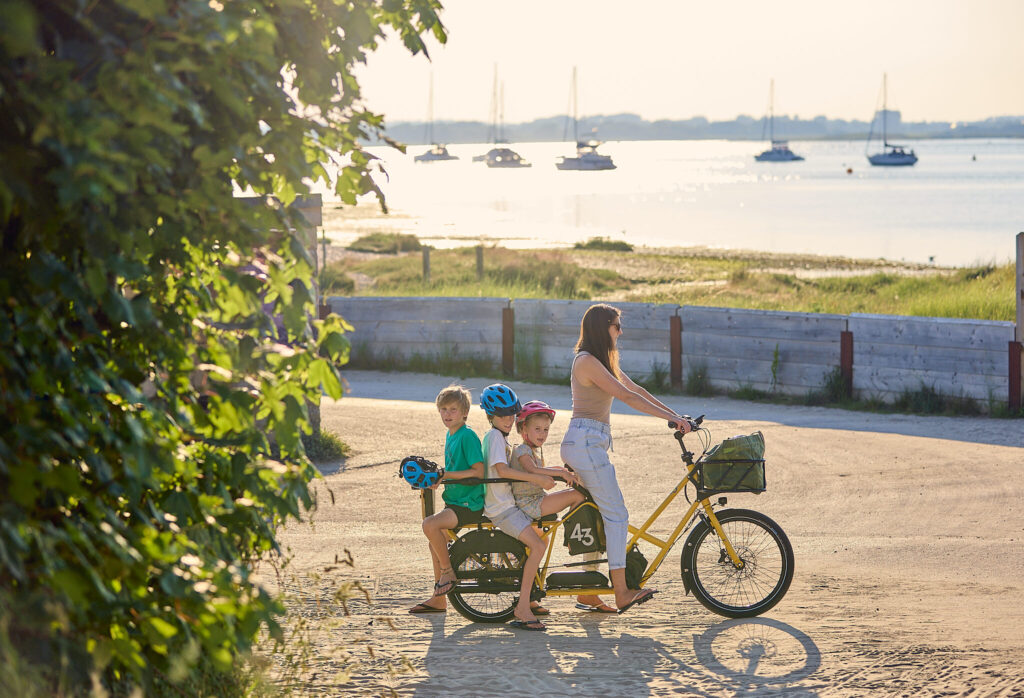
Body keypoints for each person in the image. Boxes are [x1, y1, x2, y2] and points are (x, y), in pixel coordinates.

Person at [560, 304, 691, 614]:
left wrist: (675, 416)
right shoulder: (587, 361)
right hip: (585, 443)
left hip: (591, 443)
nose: (620, 331)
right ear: (601, 328)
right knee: (617, 515)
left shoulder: (602, 361)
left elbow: (636, 388)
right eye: (616, 326)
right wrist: (669, 420)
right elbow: (627, 397)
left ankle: (588, 592)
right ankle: (621, 592)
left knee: (599, 513)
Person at [481, 386, 579, 631]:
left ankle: (530, 598)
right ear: (490, 415)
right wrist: (539, 478)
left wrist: (557, 473)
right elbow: (503, 471)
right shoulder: (495, 438)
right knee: (538, 545)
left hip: (508, 505)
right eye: (501, 415)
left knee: (536, 542)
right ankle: (522, 607)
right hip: (502, 509)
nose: (507, 419)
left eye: (510, 414)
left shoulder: (501, 438)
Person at [409, 385, 486, 614]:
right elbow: (452, 471)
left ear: (465, 413)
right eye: (443, 409)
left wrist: (446, 475)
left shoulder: (467, 436)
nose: (447, 414)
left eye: (453, 409)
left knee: (429, 525)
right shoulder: (450, 434)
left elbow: (478, 472)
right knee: (435, 544)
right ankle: (439, 599)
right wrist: (436, 479)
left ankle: (448, 573)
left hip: (468, 504)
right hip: (454, 501)